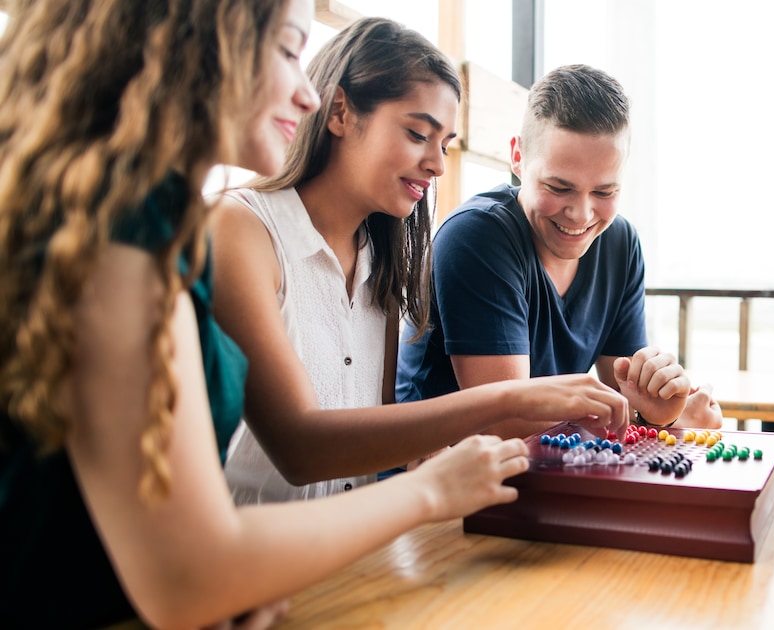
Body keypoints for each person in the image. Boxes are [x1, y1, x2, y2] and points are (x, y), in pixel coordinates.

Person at [0, 2, 534, 628]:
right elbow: (190, 567)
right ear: (194, 45)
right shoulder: (131, 244)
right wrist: (431, 489)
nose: (305, 93)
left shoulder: (149, 228)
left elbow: (162, 538)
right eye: (286, 50)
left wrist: (237, 577)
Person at [210, 18, 627, 504]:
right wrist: (510, 398)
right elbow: (301, 449)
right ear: (340, 112)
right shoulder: (242, 229)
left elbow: (379, 434)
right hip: (254, 557)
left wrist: (430, 455)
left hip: (356, 549)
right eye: (417, 134)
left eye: (445, 143)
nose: (438, 163)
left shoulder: (381, 259)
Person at [395, 63, 723, 435]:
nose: (581, 215)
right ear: (517, 158)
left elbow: (626, 399)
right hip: (436, 478)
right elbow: (507, 422)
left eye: (604, 191)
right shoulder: (476, 237)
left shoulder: (620, 243)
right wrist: (643, 419)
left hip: (540, 475)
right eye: (559, 187)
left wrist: (661, 411)